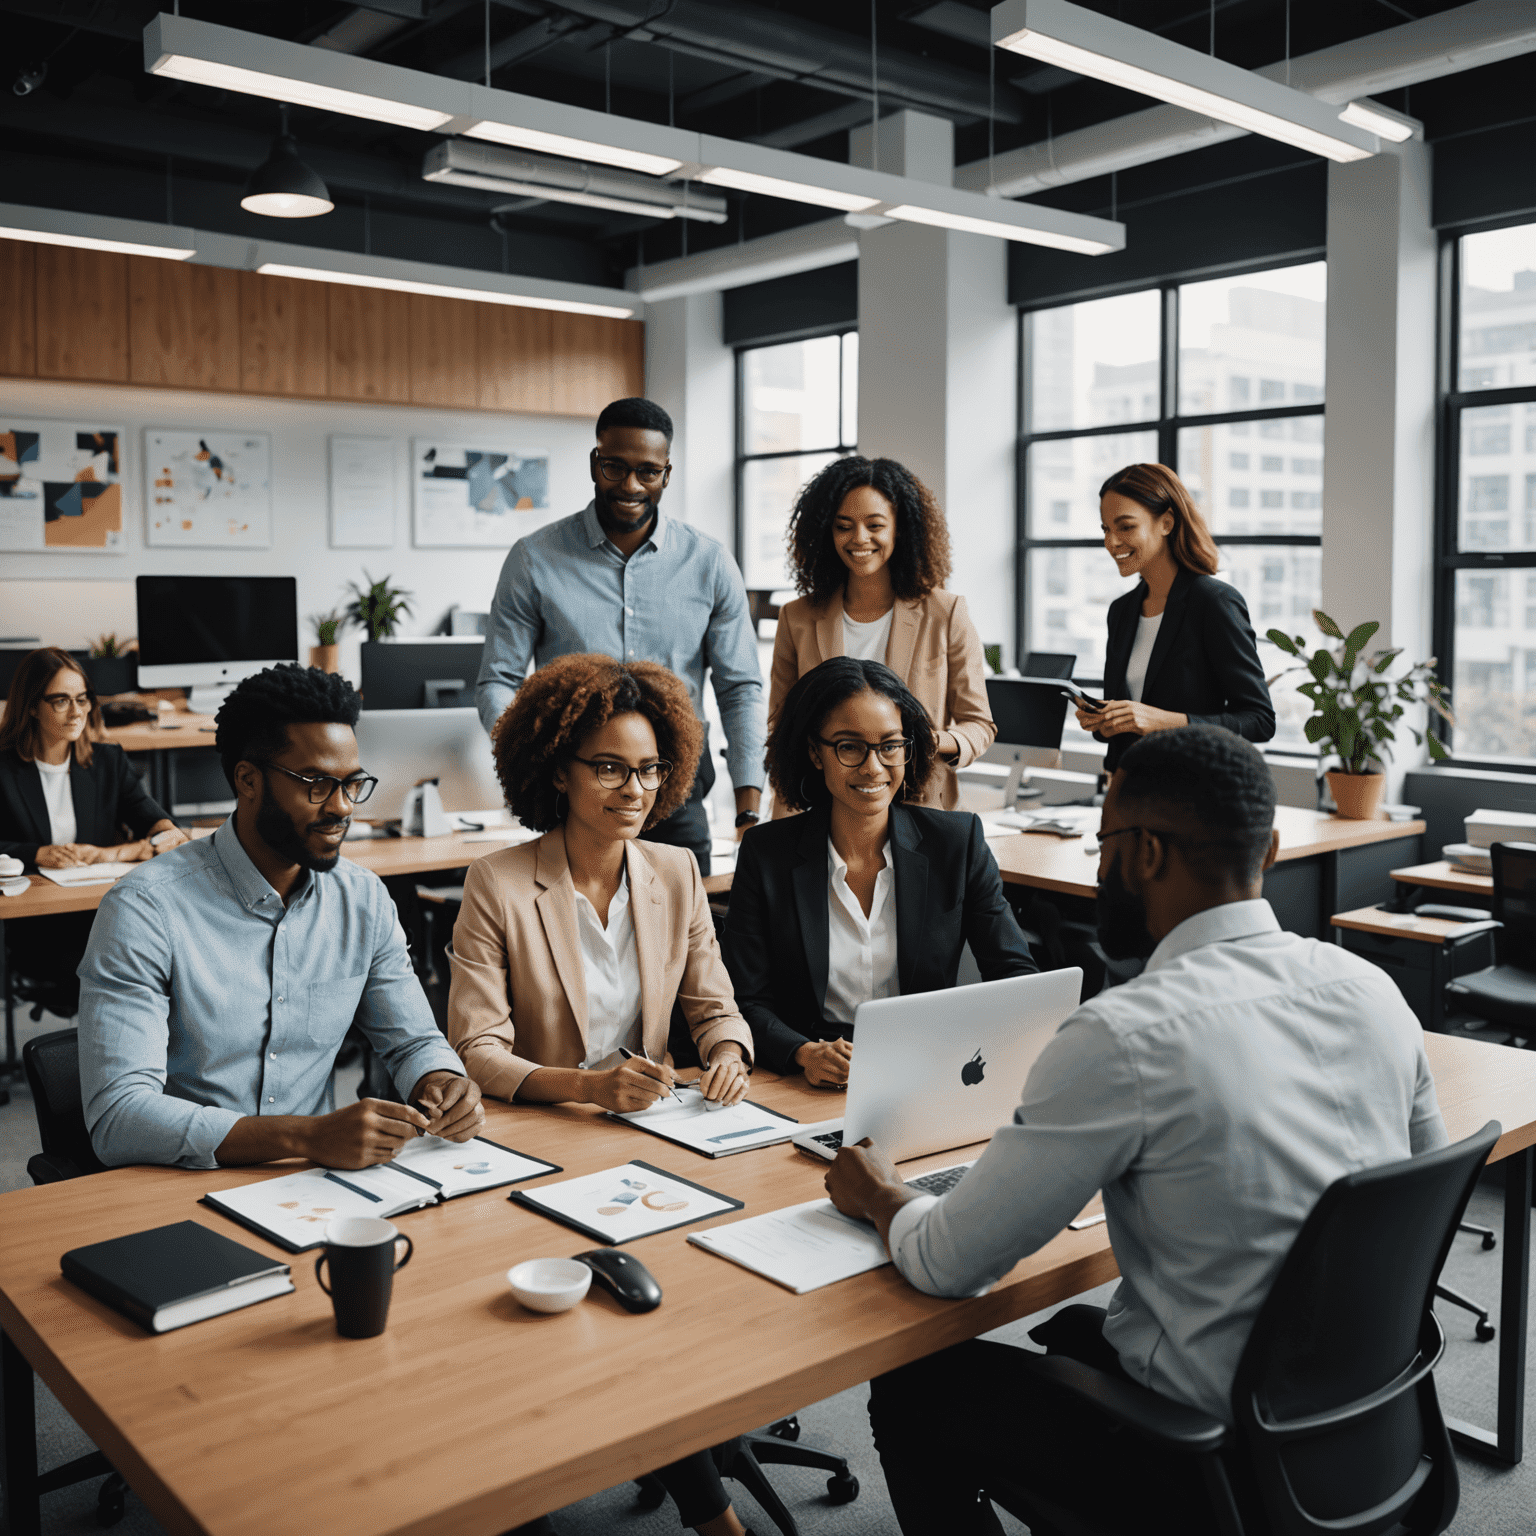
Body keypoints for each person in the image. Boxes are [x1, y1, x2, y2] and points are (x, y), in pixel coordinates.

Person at [823, 726, 1447, 1534]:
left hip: (1206, 1467)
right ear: (1272, 846)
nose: (1098, 862)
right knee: (1081, 1334)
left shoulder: (1127, 1034)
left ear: (1146, 854)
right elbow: (1416, 1207)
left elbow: (949, 1265)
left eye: (1105, 839)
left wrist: (880, 1195)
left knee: (915, 1385)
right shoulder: (1370, 990)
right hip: (1361, 1430)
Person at [448, 653, 754, 1536]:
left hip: (658, 1136)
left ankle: (677, 1449)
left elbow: (713, 1000)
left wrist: (728, 1050)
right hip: (541, 1142)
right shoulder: (500, 882)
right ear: (558, 771)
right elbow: (477, 1051)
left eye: (652, 768)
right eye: (611, 767)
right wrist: (588, 1088)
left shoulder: (674, 871)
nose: (635, 787)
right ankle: (710, 1513)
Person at [78, 664, 483, 1171]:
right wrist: (304, 1137)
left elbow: (413, 1042)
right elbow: (118, 1117)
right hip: (179, 1181)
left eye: (351, 784)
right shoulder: (145, 909)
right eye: (315, 784)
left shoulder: (364, 900)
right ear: (247, 780)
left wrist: (443, 1082)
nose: (341, 808)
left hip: (312, 1186)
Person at [475, 397, 764, 875]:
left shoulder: (709, 563)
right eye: (615, 467)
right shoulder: (534, 558)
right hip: (576, 789)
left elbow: (739, 691)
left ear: (666, 475)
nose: (630, 486)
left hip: (678, 789)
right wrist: (532, 756)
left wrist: (748, 808)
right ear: (595, 463)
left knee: (686, 940)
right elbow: (497, 681)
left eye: (648, 472)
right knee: (575, 941)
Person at [723, 657, 1036, 1085]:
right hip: (810, 1080)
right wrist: (802, 1052)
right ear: (816, 752)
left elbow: (1015, 976)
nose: (873, 767)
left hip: (928, 1071)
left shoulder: (956, 843)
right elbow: (745, 1000)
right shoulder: (767, 854)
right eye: (850, 747)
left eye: (890, 745)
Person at [769, 456, 994, 812]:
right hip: (819, 810)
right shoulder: (797, 618)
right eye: (844, 526)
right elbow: (781, 726)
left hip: (919, 808)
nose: (859, 539)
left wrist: (927, 742)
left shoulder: (945, 613)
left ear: (899, 528)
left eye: (875, 525)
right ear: (827, 531)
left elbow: (979, 725)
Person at [0, 647, 188, 1016]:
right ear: (32, 706)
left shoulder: (107, 761)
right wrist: (35, 853)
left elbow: (166, 831)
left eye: (82, 699)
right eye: (61, 701)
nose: (77, 712)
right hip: (38, 927)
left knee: (165, 956)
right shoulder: (4, 769)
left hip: (103, 911)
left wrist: (114, 852)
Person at [1080, 463, 1274, 775]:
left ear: (1166, 523)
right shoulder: (1122, 611)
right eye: (1106, 529)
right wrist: (1104, 721)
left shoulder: (1214, 602)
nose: (1112, 542)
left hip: (1192, 796)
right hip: (1126, 790)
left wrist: (1163, 721)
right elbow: (1127, 720)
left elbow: (1259, 720)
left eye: (1125, 527)